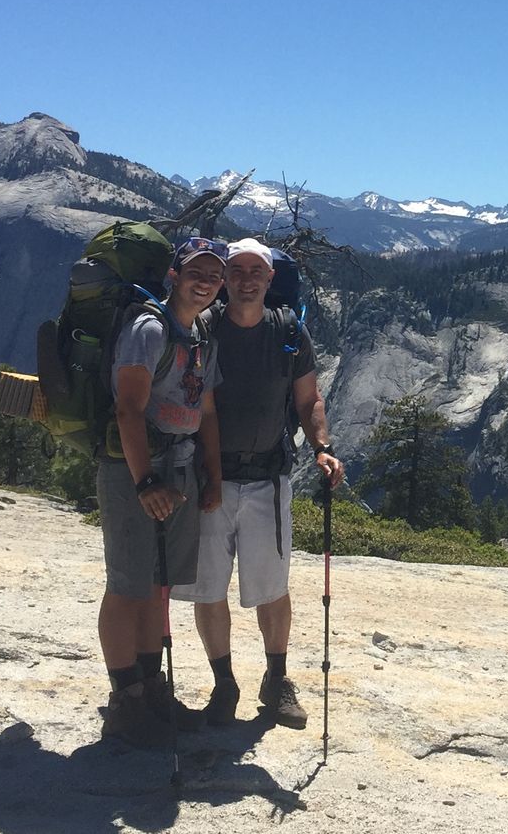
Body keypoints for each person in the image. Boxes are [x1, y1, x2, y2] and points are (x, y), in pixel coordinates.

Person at [172, 237, 345, 729]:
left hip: (269, 478)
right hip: (211, 480)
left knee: (272, 588)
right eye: (237, 270)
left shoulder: (289, 331)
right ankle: (224, 684)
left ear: (270, 280)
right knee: (208, 589)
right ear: (226, 279)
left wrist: (322, 447)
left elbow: (310, 400)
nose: (246, 278)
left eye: (256, 271)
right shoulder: (203, 330)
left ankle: (275, 679)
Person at [95, 236, 226, 748]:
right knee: (127, 584)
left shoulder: (200, 337)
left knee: (158, 584)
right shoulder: (148, 329)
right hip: (135, 469)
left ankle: (151, 689)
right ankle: (124, 699)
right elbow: (128, 408)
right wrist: (143, 480)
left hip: (181, 468)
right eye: (198, 272)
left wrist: (210, 475)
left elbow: (207, 410)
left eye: (215, 276)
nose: (207, 282)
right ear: (173, 275)